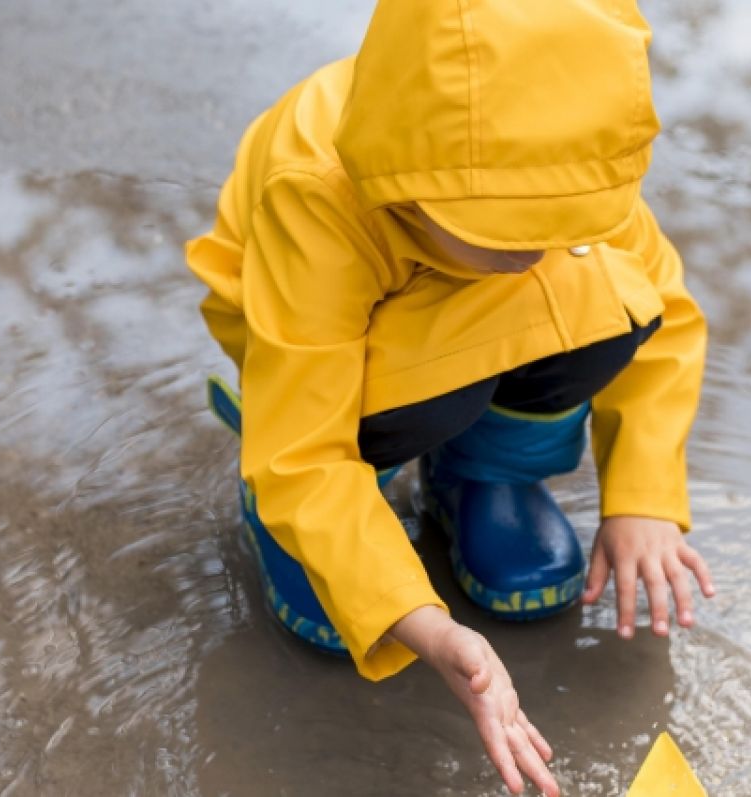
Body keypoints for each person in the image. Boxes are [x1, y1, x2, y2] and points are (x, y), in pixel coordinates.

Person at [185, 1, 715, 794]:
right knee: (348, 479)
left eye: (559, 219)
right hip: (322, 351)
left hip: (448, 334)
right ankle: (309, 530)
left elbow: (663, 317)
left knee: (611, 299)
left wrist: (642, 496)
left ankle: (488, 472)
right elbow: (305, 445)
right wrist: (423, 623)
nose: (534, 249)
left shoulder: (563, 155)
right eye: (503, 227)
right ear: (412, 185)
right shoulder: (320, 197)